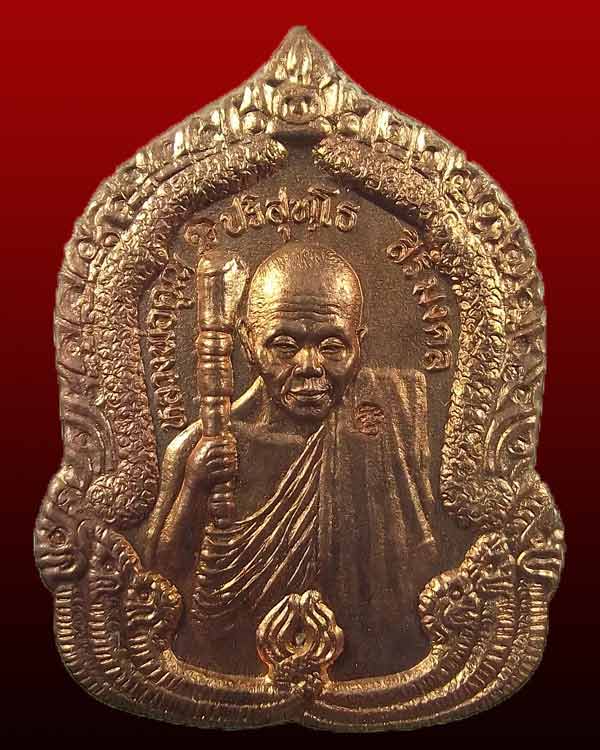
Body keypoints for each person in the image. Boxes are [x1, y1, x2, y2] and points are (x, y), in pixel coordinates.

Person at [144, 242, 440, 677]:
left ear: (360, 345)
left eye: (332, 346)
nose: (309, 365)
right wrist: (194, 485)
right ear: (248, 343)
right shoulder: (198, 448)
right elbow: (157, 581)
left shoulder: (390, 424)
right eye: (284, 345)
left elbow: (423, 563)